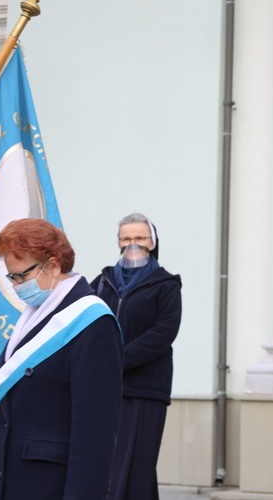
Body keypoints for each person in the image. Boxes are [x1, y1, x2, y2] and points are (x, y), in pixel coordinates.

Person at [0, 218, 123, 500]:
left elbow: (95, 431)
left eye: (21, 276)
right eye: (11, 278)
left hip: (47, 483)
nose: (17, 286)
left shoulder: (92, 323)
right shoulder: (33, 316)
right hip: (10, 478)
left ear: (52, 265)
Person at [91, 213, 182, 500]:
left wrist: (117, 359)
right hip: (107, 387)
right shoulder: (102, 282)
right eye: (126, 238)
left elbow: (162, 334)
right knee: (115, 465)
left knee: (135, 464)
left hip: (145, 388)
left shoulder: (166, 285)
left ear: (153, 243)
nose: (133, 244)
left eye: (140, 238)